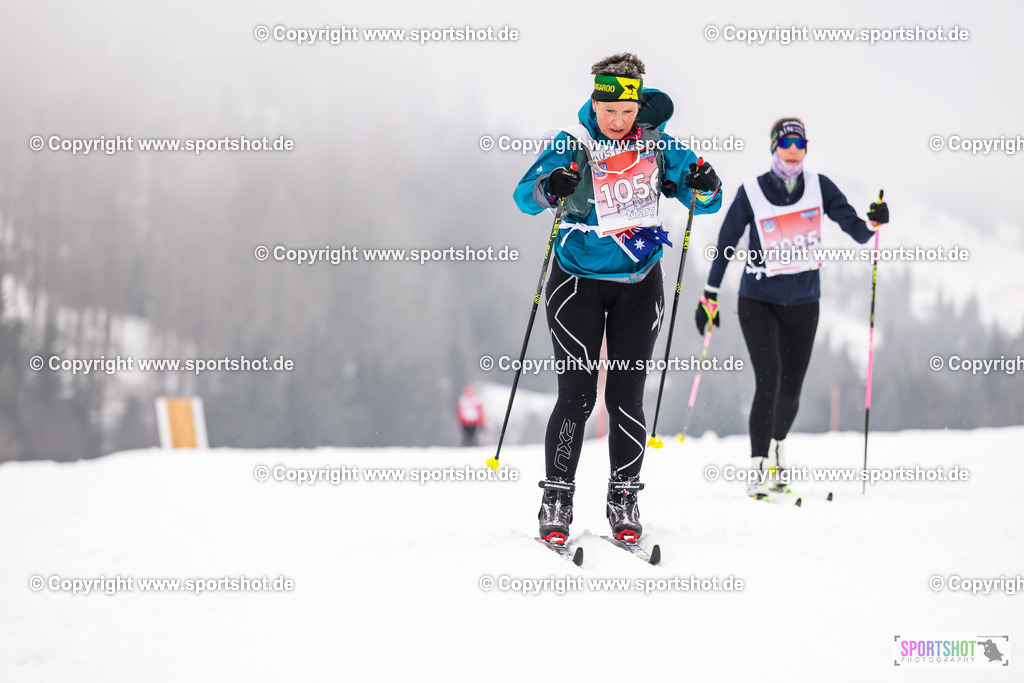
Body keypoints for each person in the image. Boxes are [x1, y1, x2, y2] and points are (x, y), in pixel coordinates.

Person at [513, 53, 723, 543]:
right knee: (577, 396)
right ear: (595, 100)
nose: (619, 121)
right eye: (610, 111)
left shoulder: (655, 143)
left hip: (639, 282)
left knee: (626, 395)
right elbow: (525, 197)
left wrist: (706, 186)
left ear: (636, 105)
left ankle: (623, 495)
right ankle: (557, 499)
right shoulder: (573, 142)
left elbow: (702, 195)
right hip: (576, 283)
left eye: (627, 112)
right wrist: (551, 187)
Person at [694, 117, 889, 499]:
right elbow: (726, 243)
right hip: (758, 301)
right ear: (774, 147)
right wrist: (710, 295)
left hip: (803, 302)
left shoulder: (820, 187)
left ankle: (778, 448)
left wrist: (874, 221)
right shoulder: (751, 191)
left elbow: (858, 231)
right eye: (787, 143)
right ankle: (757, 466)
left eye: (801, 143)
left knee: (792, 391)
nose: (795, 150)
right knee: (769, 381)